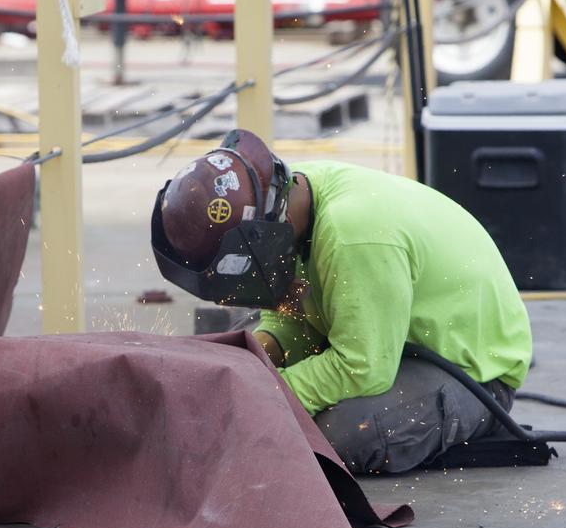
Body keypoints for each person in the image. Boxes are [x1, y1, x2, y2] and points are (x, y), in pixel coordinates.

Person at [150, 128, 532, 475]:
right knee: (240, 353)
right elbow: (296, 310)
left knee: (339, 435)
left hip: (473, 374)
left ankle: (459, 421)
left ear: (257, 237)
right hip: (384, 344)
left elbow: (362, 367)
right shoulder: (287, 201)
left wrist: (265, 393)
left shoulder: (353, 236)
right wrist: (264, 351)